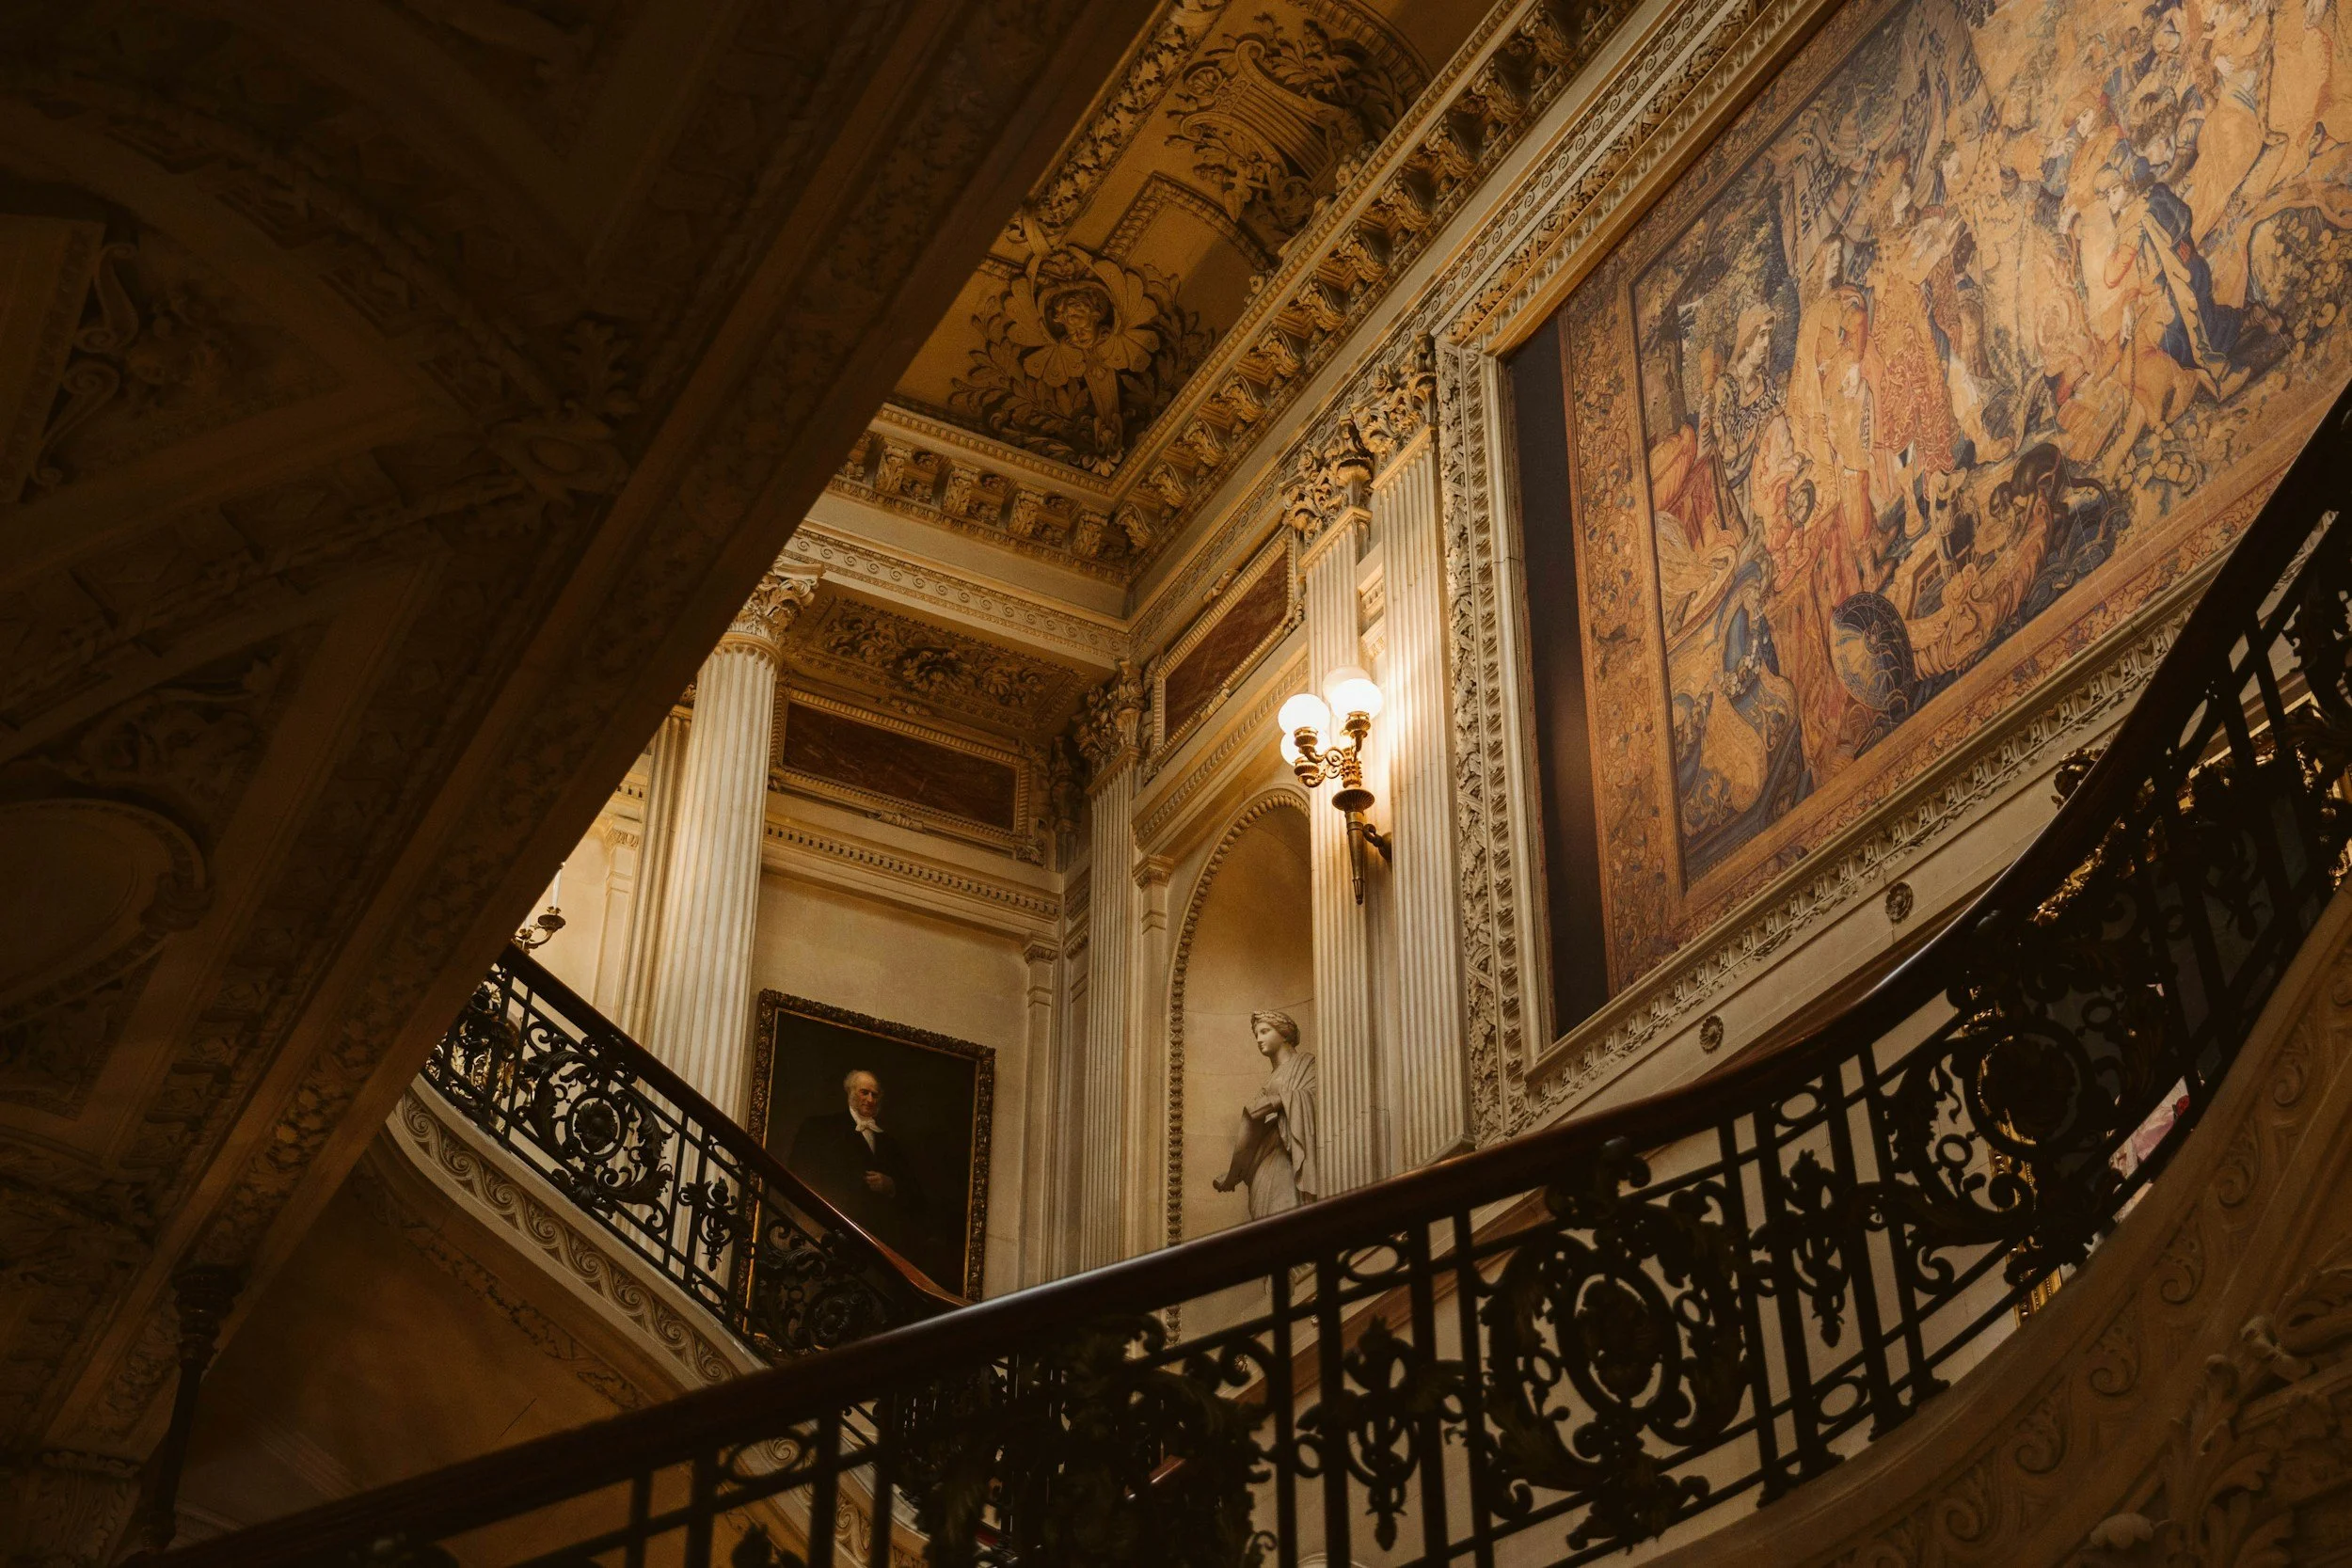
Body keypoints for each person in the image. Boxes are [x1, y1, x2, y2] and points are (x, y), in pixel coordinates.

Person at [787, 1069, 930, 1262]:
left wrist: (891, 1186)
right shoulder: (821, 1128)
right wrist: (814, 1228)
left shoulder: (889, 1143)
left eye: (875, 1095)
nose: (870, 1100)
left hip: (879, 1244)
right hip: (833, 1234)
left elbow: (915, 1194)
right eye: (864, 1092)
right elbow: (799, 1176)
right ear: (850, 1093)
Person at [1212, 1011, 1319, 1219]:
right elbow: (1251, 1130)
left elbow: (1317, 1099)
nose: (1259, 1039)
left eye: (1264, 1031)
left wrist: (1277, 1102)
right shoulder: (1268, 1083)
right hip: (1262, 1168)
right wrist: (1234, 1173)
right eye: (1256, 1035)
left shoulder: (1306, 1065)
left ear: (1284, 1034)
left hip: (1286, 1161)